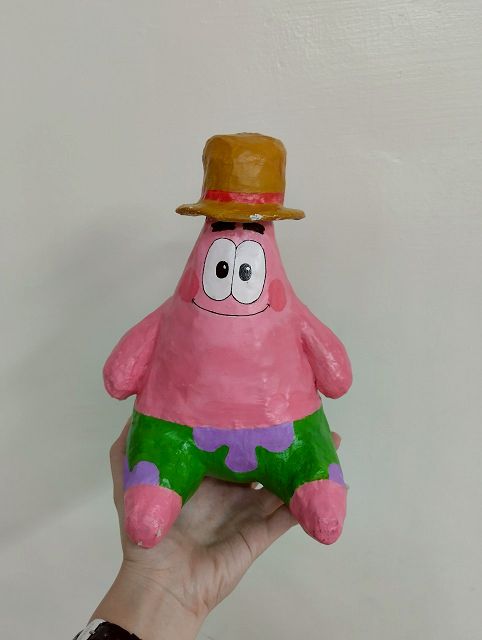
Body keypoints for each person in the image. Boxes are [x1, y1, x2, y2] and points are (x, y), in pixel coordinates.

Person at [74, 421, 341, 640]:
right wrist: (157, 580)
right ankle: (154, 495)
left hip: (290, 422)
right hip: (174, 423)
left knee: (309, 457)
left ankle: (316, 483)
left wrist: (161, 584)